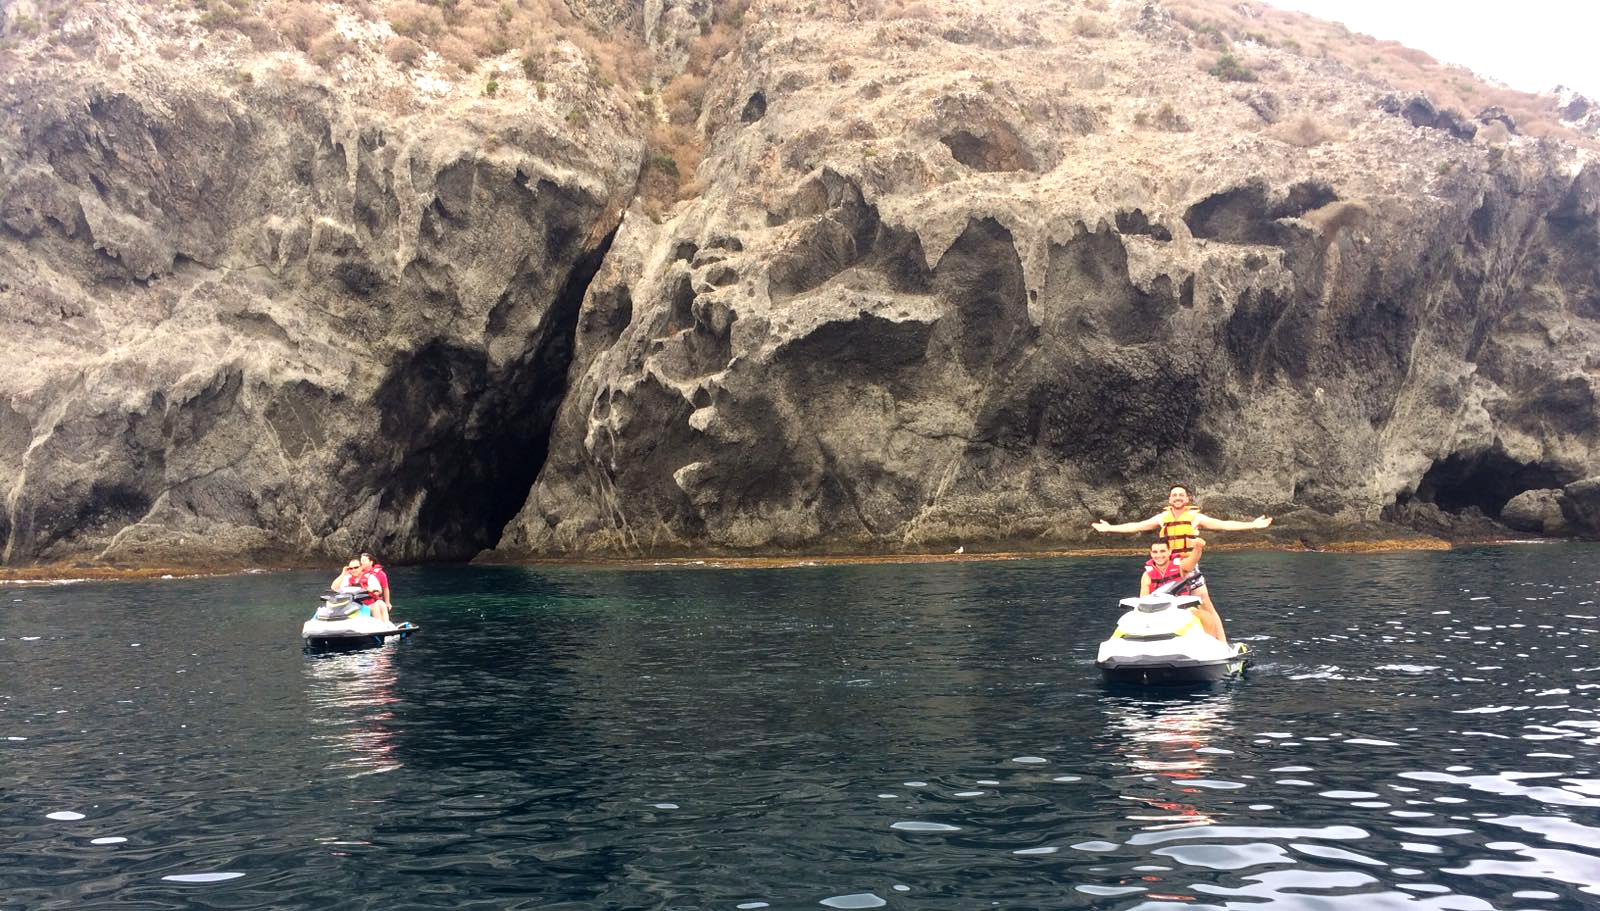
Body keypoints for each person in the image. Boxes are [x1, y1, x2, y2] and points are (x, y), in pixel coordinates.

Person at [1093, 484, 1274, 644]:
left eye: (1181, 495)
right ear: (1169, 499)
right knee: (1161, 607)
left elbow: (1224, 524)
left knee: (1207, 607)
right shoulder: (1162, 518)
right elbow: (1137, 526)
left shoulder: (1196, 518)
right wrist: (1110, 528)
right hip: (1167, 569)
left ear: (1187, 499)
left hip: (1189, 569)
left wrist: (1252, 525)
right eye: (1174, 495)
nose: (1177, 497)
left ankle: (1222, 644)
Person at [359, 552, 392, 617]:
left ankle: (384, 624)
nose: (361, 562)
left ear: (371, 562)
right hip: (361, 601)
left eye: (364, 561)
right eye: (361, 561)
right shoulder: (358, 572)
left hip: (375, 600)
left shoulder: (380, 574)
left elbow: (385, 588)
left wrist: (387, 603)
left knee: (381, 605)